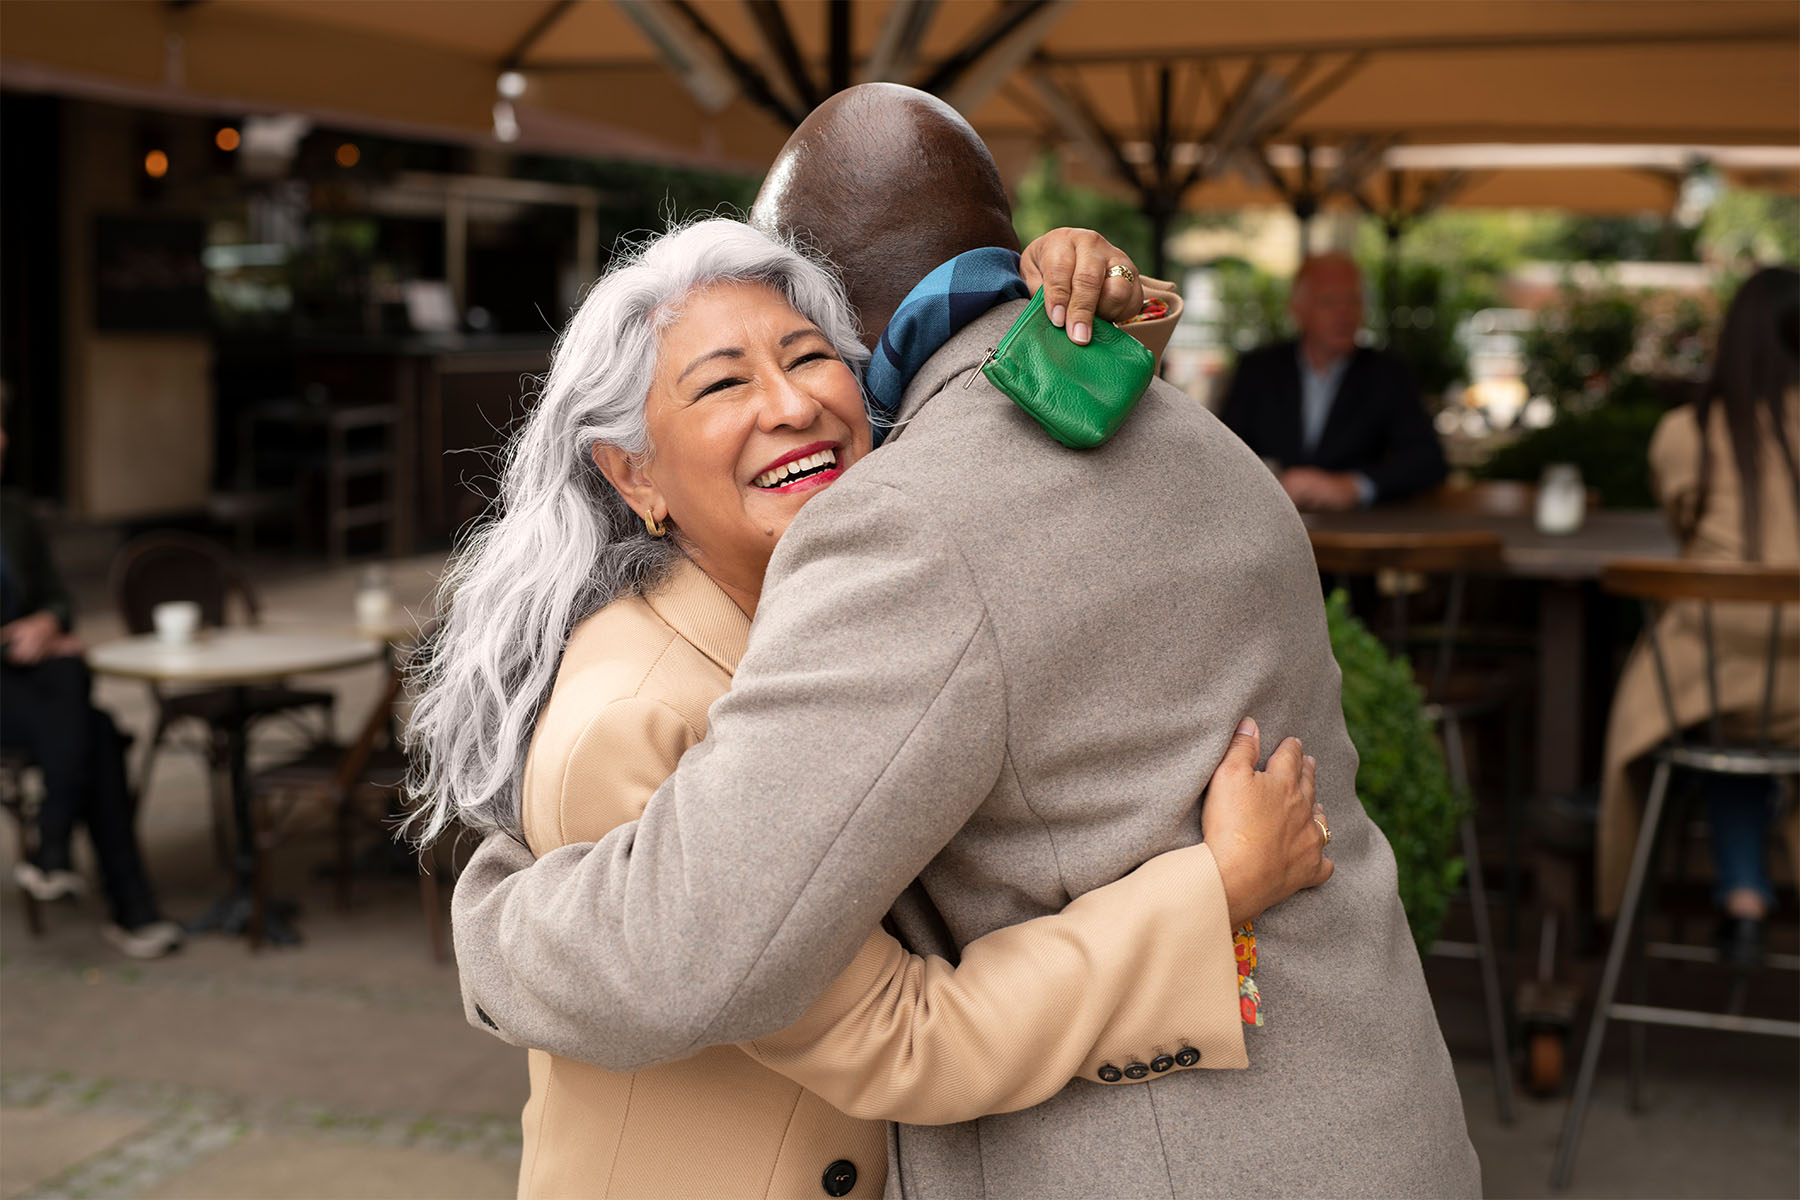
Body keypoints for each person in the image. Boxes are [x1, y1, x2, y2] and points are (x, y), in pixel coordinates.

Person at [447, 84, 1479, 1198]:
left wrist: (496, 918)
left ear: (844, 320)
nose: (792, 403)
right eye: (725, 378)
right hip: (1374, 1119)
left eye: (804, 349)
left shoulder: (907, 525)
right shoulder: (1208, 445)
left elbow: (697, 956)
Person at [1599, 265, 1800, 966]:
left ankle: (1740, 896)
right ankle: (1746, 885)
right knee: (1749, 727)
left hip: (1710, 680)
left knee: (1721, 719)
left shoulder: (1688, 432)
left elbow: (1686, 526)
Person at [0, 415, 182, 959]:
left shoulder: (13, 513)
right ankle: (129, 907)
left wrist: (48, 625)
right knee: (88, 720)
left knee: (85, 713)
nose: (4, 439)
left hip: (27, 685)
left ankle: (55, 849)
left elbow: (56, 597)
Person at [1217, 251, 1447, 511]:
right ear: (1298, 310)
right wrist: (1272, 482)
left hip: (1356, 535)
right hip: (1268, 527)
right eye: (1329, 302)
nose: (1344, 313)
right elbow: (1223, 452)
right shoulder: (1258, 370)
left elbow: (1428, 460)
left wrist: (1355, 486)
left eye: (1353, 301)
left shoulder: (1389, 374)